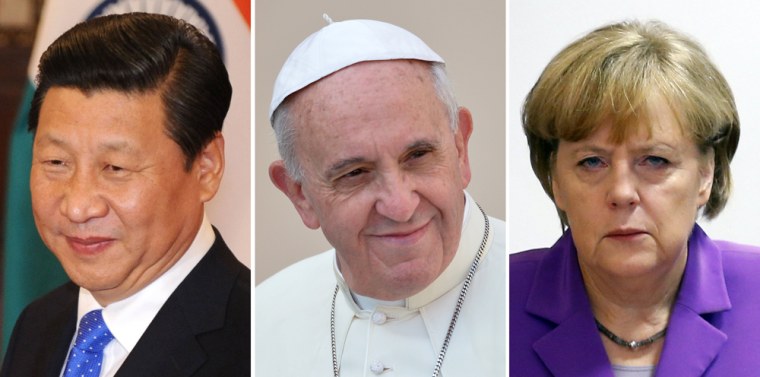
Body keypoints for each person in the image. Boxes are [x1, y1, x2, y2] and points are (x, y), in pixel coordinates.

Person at [0, 13, 250, 377]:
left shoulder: (256, 346)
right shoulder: (39, 324)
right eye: (56, 161)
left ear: (206, 167)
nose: (78, 206)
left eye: (115, 168)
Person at [256, 18, 505, 376]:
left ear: (460, 149)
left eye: (418, 156)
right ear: (300, 195)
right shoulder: (262, 318)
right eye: (355, 174)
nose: (401, 206)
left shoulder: (529, 293)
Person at [510, 20, 760, 376]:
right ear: (556, 182)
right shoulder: (495, 302)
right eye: (592, 162)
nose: (622, 193)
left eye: (655, 160)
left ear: (707, 174)